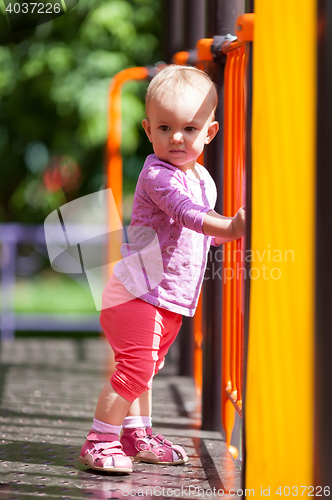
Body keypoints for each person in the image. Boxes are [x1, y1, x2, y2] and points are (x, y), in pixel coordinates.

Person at [79, 65, 245, 474]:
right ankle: (99, 441)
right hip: (137, 294)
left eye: (189, 129)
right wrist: (232, 225)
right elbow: (188, 216)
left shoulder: (203, 178)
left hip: (167, 298)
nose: (176, 138)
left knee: (146, 371)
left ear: (209, 132)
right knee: (134, 370)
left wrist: (229, 232)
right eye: (165, 127)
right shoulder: (158, 175)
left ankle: (137, 434)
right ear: (147, 129)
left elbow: (203, 234)